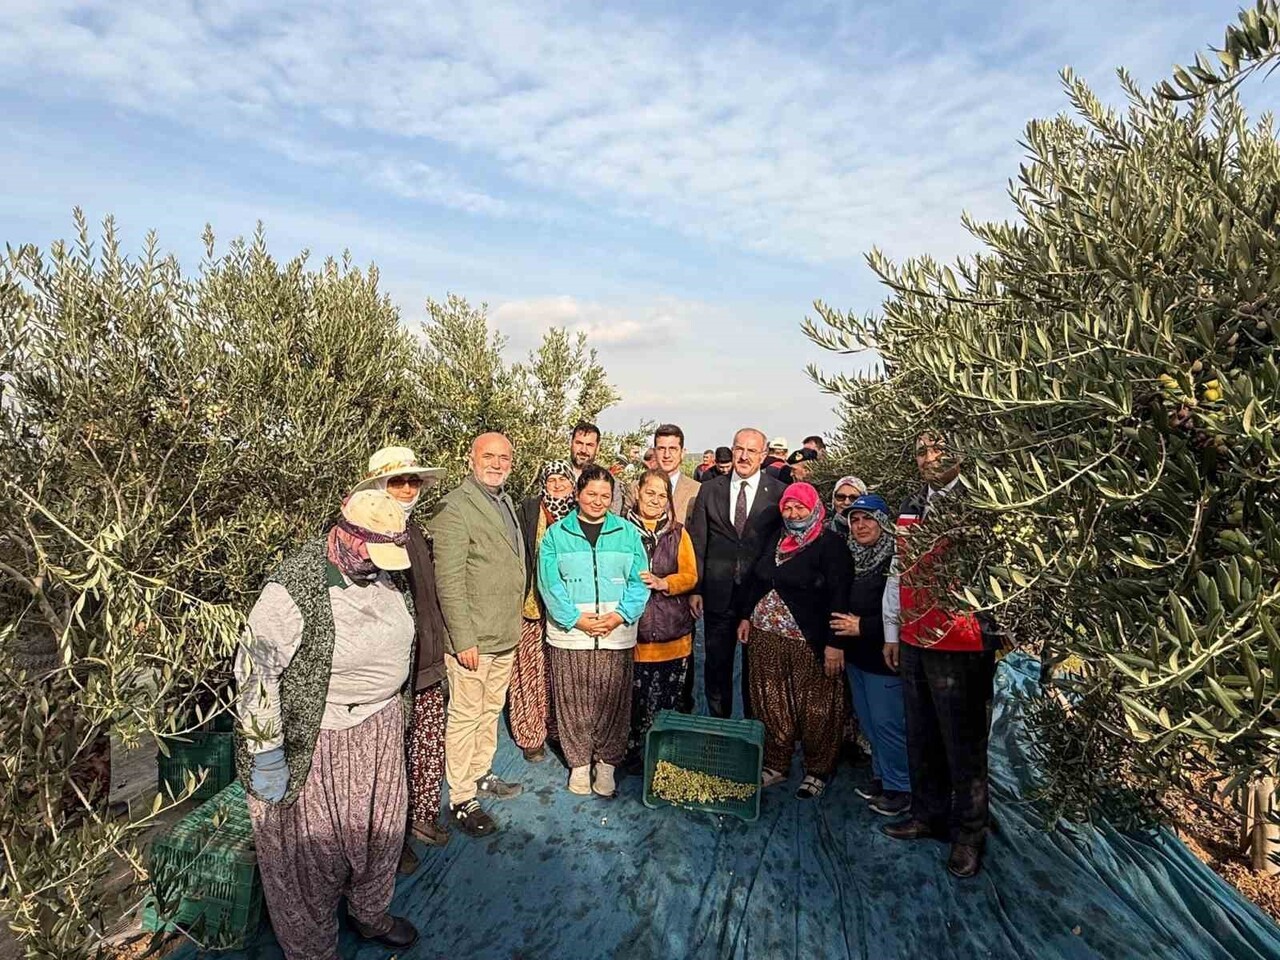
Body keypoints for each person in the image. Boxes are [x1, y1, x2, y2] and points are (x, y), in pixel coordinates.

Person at [235, 489, 420, 957]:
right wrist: (267, 752)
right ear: (349, 535)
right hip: (316, 741)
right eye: (375, 551)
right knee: (310, 860)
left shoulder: (384, 573)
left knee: (382, 833)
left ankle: (369, 914)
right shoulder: (293, 587)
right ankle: (313, 950)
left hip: (379, 729)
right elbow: (255, 672)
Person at [882, 431, 996, 879]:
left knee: (964, 742)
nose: (929, 458)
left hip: (962, 643)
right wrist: (892, 630)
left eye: (939, 449)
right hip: (914, 637)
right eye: (921, 452)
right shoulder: (912, 505)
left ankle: (969, 833)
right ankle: (926, 814)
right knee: (922, 732)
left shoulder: (980, 503)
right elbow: (899, 568)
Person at [351, 447, 451, 870]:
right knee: (389, 758)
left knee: (426, 742)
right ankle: (391, 841)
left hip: (427, 656)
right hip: (391, 671)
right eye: (398, 482)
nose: (408, 488)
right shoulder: (368, 536)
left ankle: (421, 819)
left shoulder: (417, 531)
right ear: (378, 486)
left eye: (413, 481)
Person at [429, 432, 526, 838]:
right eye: (489, 456)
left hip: (502, 633)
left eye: (505, 457)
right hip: (474, 641)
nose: (497, 463)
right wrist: (463, 638)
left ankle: (481, 771)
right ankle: (462, 798)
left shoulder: (504, 502)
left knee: (489, 711)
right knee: (466, 717)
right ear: (471, 459)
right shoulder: (455, 508)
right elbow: (448, 581)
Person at [537, 465, 650, 797]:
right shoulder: (557, 534)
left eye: (605, 495)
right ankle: (579, 764)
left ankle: (607, 764)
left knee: (613, 701)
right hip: (570, 633)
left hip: (616, 632)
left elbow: (639, 581)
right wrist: (575, 618)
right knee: (573, 700)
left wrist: (620, 616)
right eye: (591, 494)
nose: (598, 501)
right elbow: (549, 582)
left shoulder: (628, 534)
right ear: (577, 494)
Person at [736, 482, 851, 798]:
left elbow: (839, 595)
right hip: (766, 638)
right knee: (771, 703)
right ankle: (776, 763)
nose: (793, 513)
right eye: (788, 507)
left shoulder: (830, 545)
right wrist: (746, 616)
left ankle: (818, 769)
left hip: (808, 641)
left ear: (814, 508)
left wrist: (835, 643)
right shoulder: (778, 538)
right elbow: (757, 581)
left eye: (800, 507)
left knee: (817, 708)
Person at [687, 428, 784, 719]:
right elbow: (699, 541)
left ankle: (752, 735)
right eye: (739, 448)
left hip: (759, 598)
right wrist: (696, 588)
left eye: (751, 451)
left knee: (756, 674)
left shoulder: (778, 493)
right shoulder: (710, 489)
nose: (743, 456)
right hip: (718, 595)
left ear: (763, 455)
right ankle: (719, 729)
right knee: (716, 668)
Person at [830, 493, 910, 816]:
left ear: (882, 521)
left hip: (883, 658)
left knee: (888, 723)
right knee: (870, 722)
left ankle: (901, 789)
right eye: (855, 519)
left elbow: (902, 611)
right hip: (856, 658)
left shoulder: (895, 556)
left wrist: (863, 626)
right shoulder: (850, 555)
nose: (861, 525)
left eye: (867, 518)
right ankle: (882, 777)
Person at [624, 469, 697, 771]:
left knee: (670, 705)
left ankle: (666, 758)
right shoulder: (620, 531)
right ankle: (635, 758)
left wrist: (664, 583)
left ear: (669, 499)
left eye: (661, 494)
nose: (655, 499)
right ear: (637, 493)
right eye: (649, 492)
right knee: (634, 705)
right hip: (634, 636)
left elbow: (691, 575)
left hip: (673, 637)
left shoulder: (678, 533)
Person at [513, 460, 576, 763]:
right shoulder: (528, 509)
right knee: (529, 670)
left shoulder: (580, 513)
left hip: (568, 607)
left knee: (561, 673)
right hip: (532, 605)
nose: (557, 485)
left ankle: (559, 730)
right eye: (551, 480)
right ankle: (530, 733)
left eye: (562, 480)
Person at [652, 423, 700, 523]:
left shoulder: (697, 490)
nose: (666, 455)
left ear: (682, 453)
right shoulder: (636, 488)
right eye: (661, 449)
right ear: (654, 452)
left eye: (672, 449)